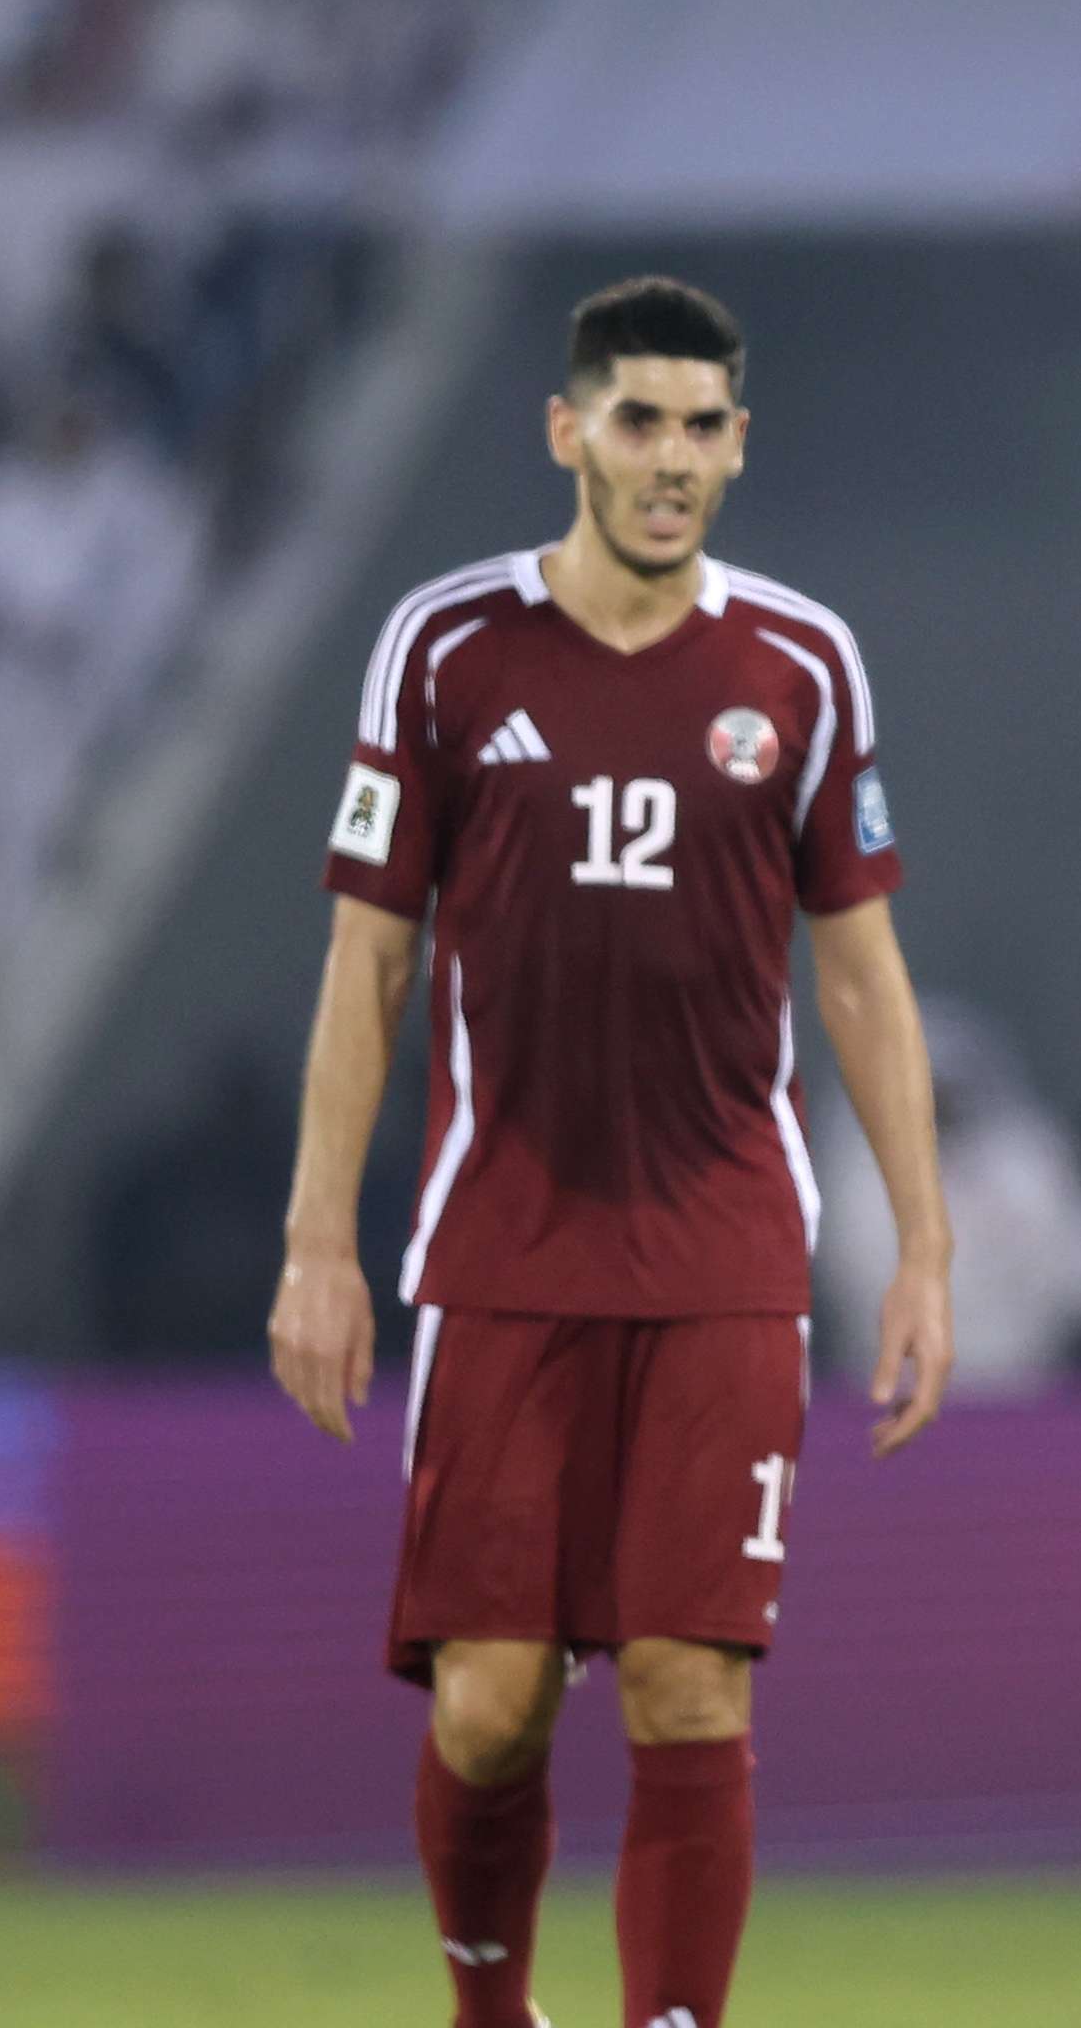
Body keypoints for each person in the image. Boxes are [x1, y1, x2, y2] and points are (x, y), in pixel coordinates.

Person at [264, 277, 956, 2028]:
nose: (671, 457)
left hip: (726, 1249)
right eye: (637, 419)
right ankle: (489, 2004)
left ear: (738, 443)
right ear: (566, 430)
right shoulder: (445, 647)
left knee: (688, 1685)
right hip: (502, 1247)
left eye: (702, 424)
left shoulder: (801, 660)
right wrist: (317, 1243)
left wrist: (928, 1250)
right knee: (488, 1701)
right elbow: (371, 955)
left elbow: (861, 973)